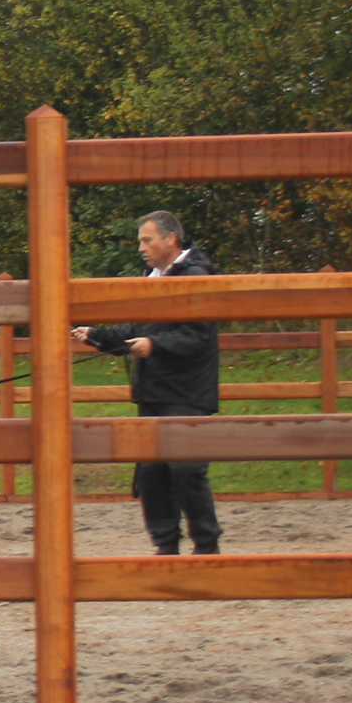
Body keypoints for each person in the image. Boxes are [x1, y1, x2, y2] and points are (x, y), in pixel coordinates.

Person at [72, 211, 222, 555]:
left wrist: (154, 345)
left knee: (186, 468)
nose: (141, 247)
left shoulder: (196, 276)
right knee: (152, 469)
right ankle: (165, 544)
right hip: (154, 389)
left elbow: (197, 337)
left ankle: (206, 543)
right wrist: (98, 336)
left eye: (147, 240)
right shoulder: (151, 277)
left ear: (170, 239)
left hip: (187, 390)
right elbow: (139, 329)